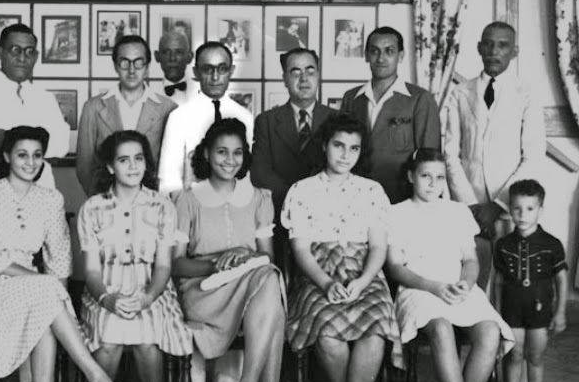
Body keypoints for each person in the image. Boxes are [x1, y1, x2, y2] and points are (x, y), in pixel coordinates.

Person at [0, 126, 131, 382]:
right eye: (22, 155)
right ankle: (97, 379)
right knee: (44, 292)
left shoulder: (51, 199)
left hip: (35, 293)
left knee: (46, 314)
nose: (30, 162)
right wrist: (47, 286)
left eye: (37, 155)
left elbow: (60, 258)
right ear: (7, 156)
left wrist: (58, 303)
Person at [282, 113, 402, 382]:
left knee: (375, 330)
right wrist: (324, 282)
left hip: (365, 270)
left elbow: (378, 247)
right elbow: (300, 250)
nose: (345, 154)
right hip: (317, 271)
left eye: (354, 148)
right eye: (338, 145)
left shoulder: (372, 191)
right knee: (327, 333)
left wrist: (363, 281)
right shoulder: (302, 191)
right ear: (324, 146)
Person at [172, 118, 291, 382]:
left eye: (237, 152)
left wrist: (245, 255)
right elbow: (177, 265)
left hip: (251, 287)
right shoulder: (186, 199)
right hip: (203, 290)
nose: (230, 160)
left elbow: (266, 258)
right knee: (271, 296)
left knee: (269, 279)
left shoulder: (259, 198)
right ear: (206, 154)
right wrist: (217, 263)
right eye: (222, 152)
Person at [385, 148, 514, 382]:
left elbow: (470, 260)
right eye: (426, 176)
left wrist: (466, 284)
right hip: (418, 288)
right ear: (411, 176)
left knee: (490, 331)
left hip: (457, 285)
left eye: (440, 177)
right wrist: (433, 287)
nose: (433, 184)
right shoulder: (396, 213)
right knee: (441, 327)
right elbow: (395, 267)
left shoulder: (457, 212)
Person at [79, 131, 192, 382]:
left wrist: (148, 297)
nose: (132, 166)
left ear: (147, 164)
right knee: (108, 341)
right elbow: (91, 271)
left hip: (152, 287)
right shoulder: (92, 208)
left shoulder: (162, 206)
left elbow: (164, 266)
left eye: (139, 159)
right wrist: (106, 298)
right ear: (110, 167)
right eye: (123, 160)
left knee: (146, 340)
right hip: (105, 287)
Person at [443, 21, 545, 290]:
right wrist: (470, 205)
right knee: (470, 273)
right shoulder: (460, 92)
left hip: (511, 204)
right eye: (488, 44)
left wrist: (499, 205)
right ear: (479, 48)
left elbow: (533, 155)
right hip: (470, 204)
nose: (494, 51)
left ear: (514, 51)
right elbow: (450, 152)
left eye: (502, 45)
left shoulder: (527, 94)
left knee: (510, 278)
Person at [0, 23, 69, 221]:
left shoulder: (46, 98)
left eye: (29, 51)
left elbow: (61, 146)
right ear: (0, 53)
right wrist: (40, 140)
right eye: (15, 50)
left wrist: (6, 137)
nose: (22, 58)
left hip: (39, 202)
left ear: (36, 56)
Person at [251, 48, 335, 267]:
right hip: (281, 214)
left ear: (318, 75)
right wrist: (295, 202)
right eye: (295, 72)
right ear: (285, 79)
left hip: (327, 216)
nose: (304, 78)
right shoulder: (267, 121)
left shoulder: (337, 119)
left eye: (310, 71)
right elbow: (260, 172)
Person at [495, 180, 568, 382]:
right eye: (517, 208)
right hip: (511, 310)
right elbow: (497, 282)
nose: (522, 214)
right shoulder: (503, 245)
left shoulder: (552, 244)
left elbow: (561, 280)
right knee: (514, 354)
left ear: (540, 210)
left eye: (529, 208)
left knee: (535, 356)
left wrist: (560, 312)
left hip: (540, 311)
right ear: (510, 209)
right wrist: (496, 314)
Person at [341, 26, 440, 203]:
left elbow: (430, 159)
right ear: (366, 55)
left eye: (389, 51)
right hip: (355, 195)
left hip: (401, 197)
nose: (381, 58)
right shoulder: (351, 98)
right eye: (374, 51)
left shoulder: (419, 99)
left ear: (400, 56)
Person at [76, 35, 176, 196]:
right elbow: (85, 165)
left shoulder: (168, 108)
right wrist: (102, 198)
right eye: (124, 62)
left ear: (147, 66)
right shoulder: (93, 107)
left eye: (138, 62)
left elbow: (171, 165)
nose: (131, 70)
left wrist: (156, 199)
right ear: (115, 66)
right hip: (107, 201)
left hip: (152, 200)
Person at [158, 41, 253, 195]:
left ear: (232, 71)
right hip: (191, 203)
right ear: (196, 72)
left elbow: (246, 174)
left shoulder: (245, 117)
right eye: (207, 69)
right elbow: (168, 179)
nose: (215, 77)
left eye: (222, 69)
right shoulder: (178, 117)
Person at [153, 30, 197, 106]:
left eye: (179, 52)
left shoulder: (203, 93)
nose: (172, 58)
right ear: (157, 56)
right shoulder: (148, 96)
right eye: (166, 52)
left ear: (189, 57)